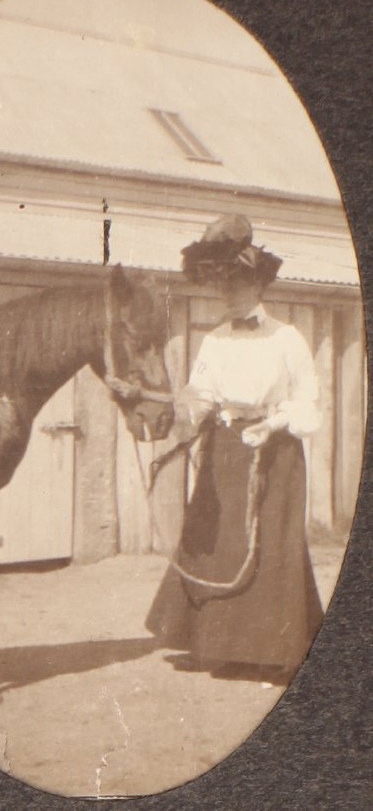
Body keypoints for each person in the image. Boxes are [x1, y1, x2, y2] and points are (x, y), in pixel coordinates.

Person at [146, 214, 324, 685]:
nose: (230, 295)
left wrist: (274, 425)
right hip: (224, 449)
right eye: (223, 287)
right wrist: (185, 406)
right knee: (219, 543)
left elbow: (308, 402)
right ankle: (221, 646)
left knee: (270, 546)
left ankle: (274, 655)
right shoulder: (215, 340)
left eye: (239, 285)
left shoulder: (287, 338)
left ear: (259, 287)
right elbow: (202, 396)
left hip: (275, 451)